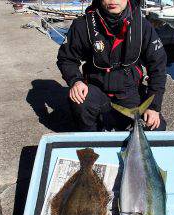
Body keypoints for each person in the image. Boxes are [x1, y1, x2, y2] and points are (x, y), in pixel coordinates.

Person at [57, 0, 167, 132]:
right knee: (80, 101)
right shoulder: (82, 25)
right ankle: (91, 137)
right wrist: (76, 81)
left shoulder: (143, 26)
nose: (113, 0)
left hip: (130, 93)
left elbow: (158, 67)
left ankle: (124, 125)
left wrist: (154, 107)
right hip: (96, 90)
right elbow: (66, 59)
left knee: (157, 128)